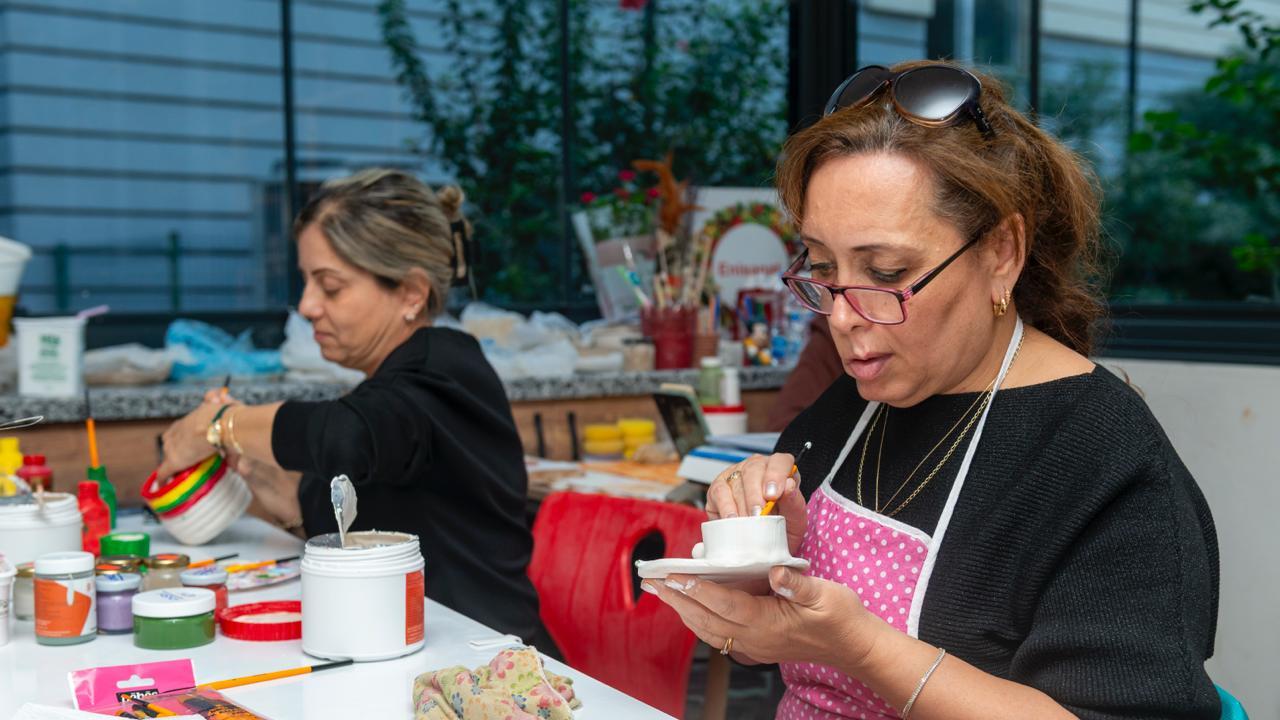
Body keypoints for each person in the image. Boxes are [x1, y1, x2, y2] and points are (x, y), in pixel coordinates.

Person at [645, 61, 1220, 719]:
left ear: (1002, 251)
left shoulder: (1104, 463)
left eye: (886, 272)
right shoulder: (847, 408)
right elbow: (761, 649)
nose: (840, 315)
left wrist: (862, 649)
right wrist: (758, 553)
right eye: (824, 270)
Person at [158, 168, 556, 652]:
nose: (306, 306)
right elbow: (387, 515)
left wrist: (220, 426)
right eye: (306, 282)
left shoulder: (445, 370)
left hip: (490, 662)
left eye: (330, 286)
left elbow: (349, 435)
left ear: (411, 292)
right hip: (410, 646)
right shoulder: (398, 380)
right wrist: (278, 488)